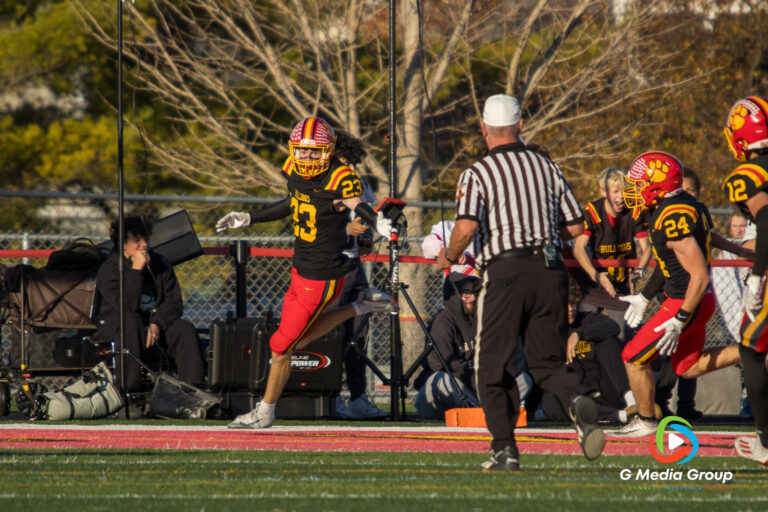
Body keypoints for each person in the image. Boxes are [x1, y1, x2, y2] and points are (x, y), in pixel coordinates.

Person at [437, 93, 604, 471]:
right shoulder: (548, 168)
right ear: (521, 126)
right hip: (549, 272)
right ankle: (577, 398)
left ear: (483, 129)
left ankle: (504, 449)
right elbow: (577, 226)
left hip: (505, 271)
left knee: (490, 366)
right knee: (546, 361)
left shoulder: (477, 172)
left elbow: (466, 226)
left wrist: (447, 256)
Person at [215, 117, 393, 429]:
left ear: (328, 151)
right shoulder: (296, 170)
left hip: (323, 276)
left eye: (315, 152)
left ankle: (265, 411)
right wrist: (250, 218)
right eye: (303, 151)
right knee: (293, 342)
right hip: (300, 269)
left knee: (281, 346)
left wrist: (376, 220)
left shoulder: (341, 176)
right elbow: (292, 202)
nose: (308, 158)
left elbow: (356, 202)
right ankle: (360, 306)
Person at [616, 151, 741, 437]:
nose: (633, 191)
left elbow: (698, 273)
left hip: (686, 299)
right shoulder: (685, 204)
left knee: (633, 357)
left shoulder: (671, 216)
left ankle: (646, 420)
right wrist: (645, 296)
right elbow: (702, 240)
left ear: (657, 184)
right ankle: (752, 350)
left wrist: (679, 317)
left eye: (638, 184)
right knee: (687, 366)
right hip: (699, 297)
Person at [95, 215, 204, 395]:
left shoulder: (160, 263)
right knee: (131, 320)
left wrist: (157, 324)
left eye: (146, 239)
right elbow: (126, 307)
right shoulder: (109, 270)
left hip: (153, 327)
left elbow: (174, 303)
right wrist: (136, 270)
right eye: (136, 240)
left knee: (183, 328)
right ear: (122, 244)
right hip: (120, 327)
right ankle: (129, 393)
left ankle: (192, 392)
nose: (144, 244)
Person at [414, 273, 531, 420]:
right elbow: (441, 365)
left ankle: (486, 412)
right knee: (441, 379)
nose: (471, 297)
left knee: (523, 380)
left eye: (474, 292)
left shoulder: (490, 319)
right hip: (450, 394)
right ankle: (483, 413)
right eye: (465, 293)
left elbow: (506, 359)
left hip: (484, 387)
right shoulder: (443, 323)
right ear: (454, 296)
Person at [722, 95, 768, 465]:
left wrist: (754, 277)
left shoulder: (748, 175)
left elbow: (767, 221)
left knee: (751, 347)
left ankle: (766, 441)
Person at [330, 132, 387, 419]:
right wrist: (344, 231)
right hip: (329, 267)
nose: (350, 169)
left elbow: (368, 219)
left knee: (359, 334)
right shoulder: (323, 184)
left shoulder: (360, 184)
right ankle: (331, 395)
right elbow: (309, 229)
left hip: (355, 267)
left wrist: (365, 239)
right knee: (332, 333)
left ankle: (358, 395)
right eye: (344, 162)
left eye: (354, 163)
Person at [572, 167, 651, 344]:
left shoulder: (634, 210)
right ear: (603, 192)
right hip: (592, 286)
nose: (621, 196)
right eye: (616, 191)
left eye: (624, 190)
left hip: (620, 287)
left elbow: (647, 248)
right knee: (585, 336)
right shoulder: (593, 210)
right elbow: (578, 248)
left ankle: (619, 370)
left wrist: (639, 271)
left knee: (621, 337)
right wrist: (596, 276)